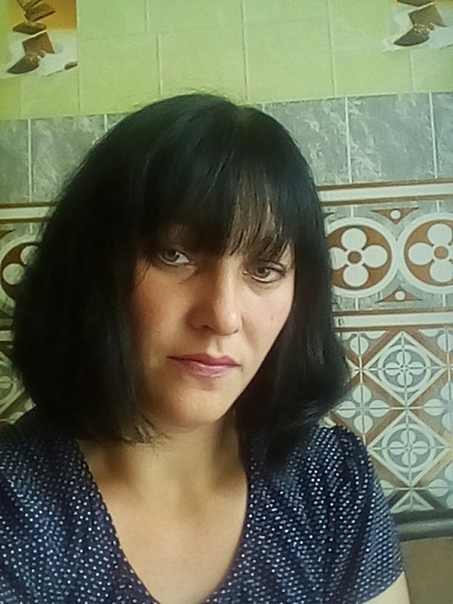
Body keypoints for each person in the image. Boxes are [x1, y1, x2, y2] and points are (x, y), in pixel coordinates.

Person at [0, 94, 410, 604]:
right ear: (93, 266)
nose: (223, 315)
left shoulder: (329, 483)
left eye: (264, 270)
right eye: (175, 254)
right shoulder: (16, 504)